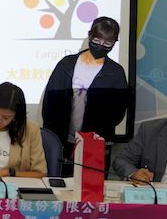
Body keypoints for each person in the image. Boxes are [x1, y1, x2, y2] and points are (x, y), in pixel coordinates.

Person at [42, 16, 128, 172]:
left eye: (107, 43)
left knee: (91, 184)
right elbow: (50, 104)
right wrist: (54, 138)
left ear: (115, 43)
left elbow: (117, 113)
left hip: (94, 145)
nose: (101, 46)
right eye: (97, 40)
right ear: (89, 35)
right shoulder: (66, 64)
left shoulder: (116, 72)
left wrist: (91, 139)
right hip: (62, 142)